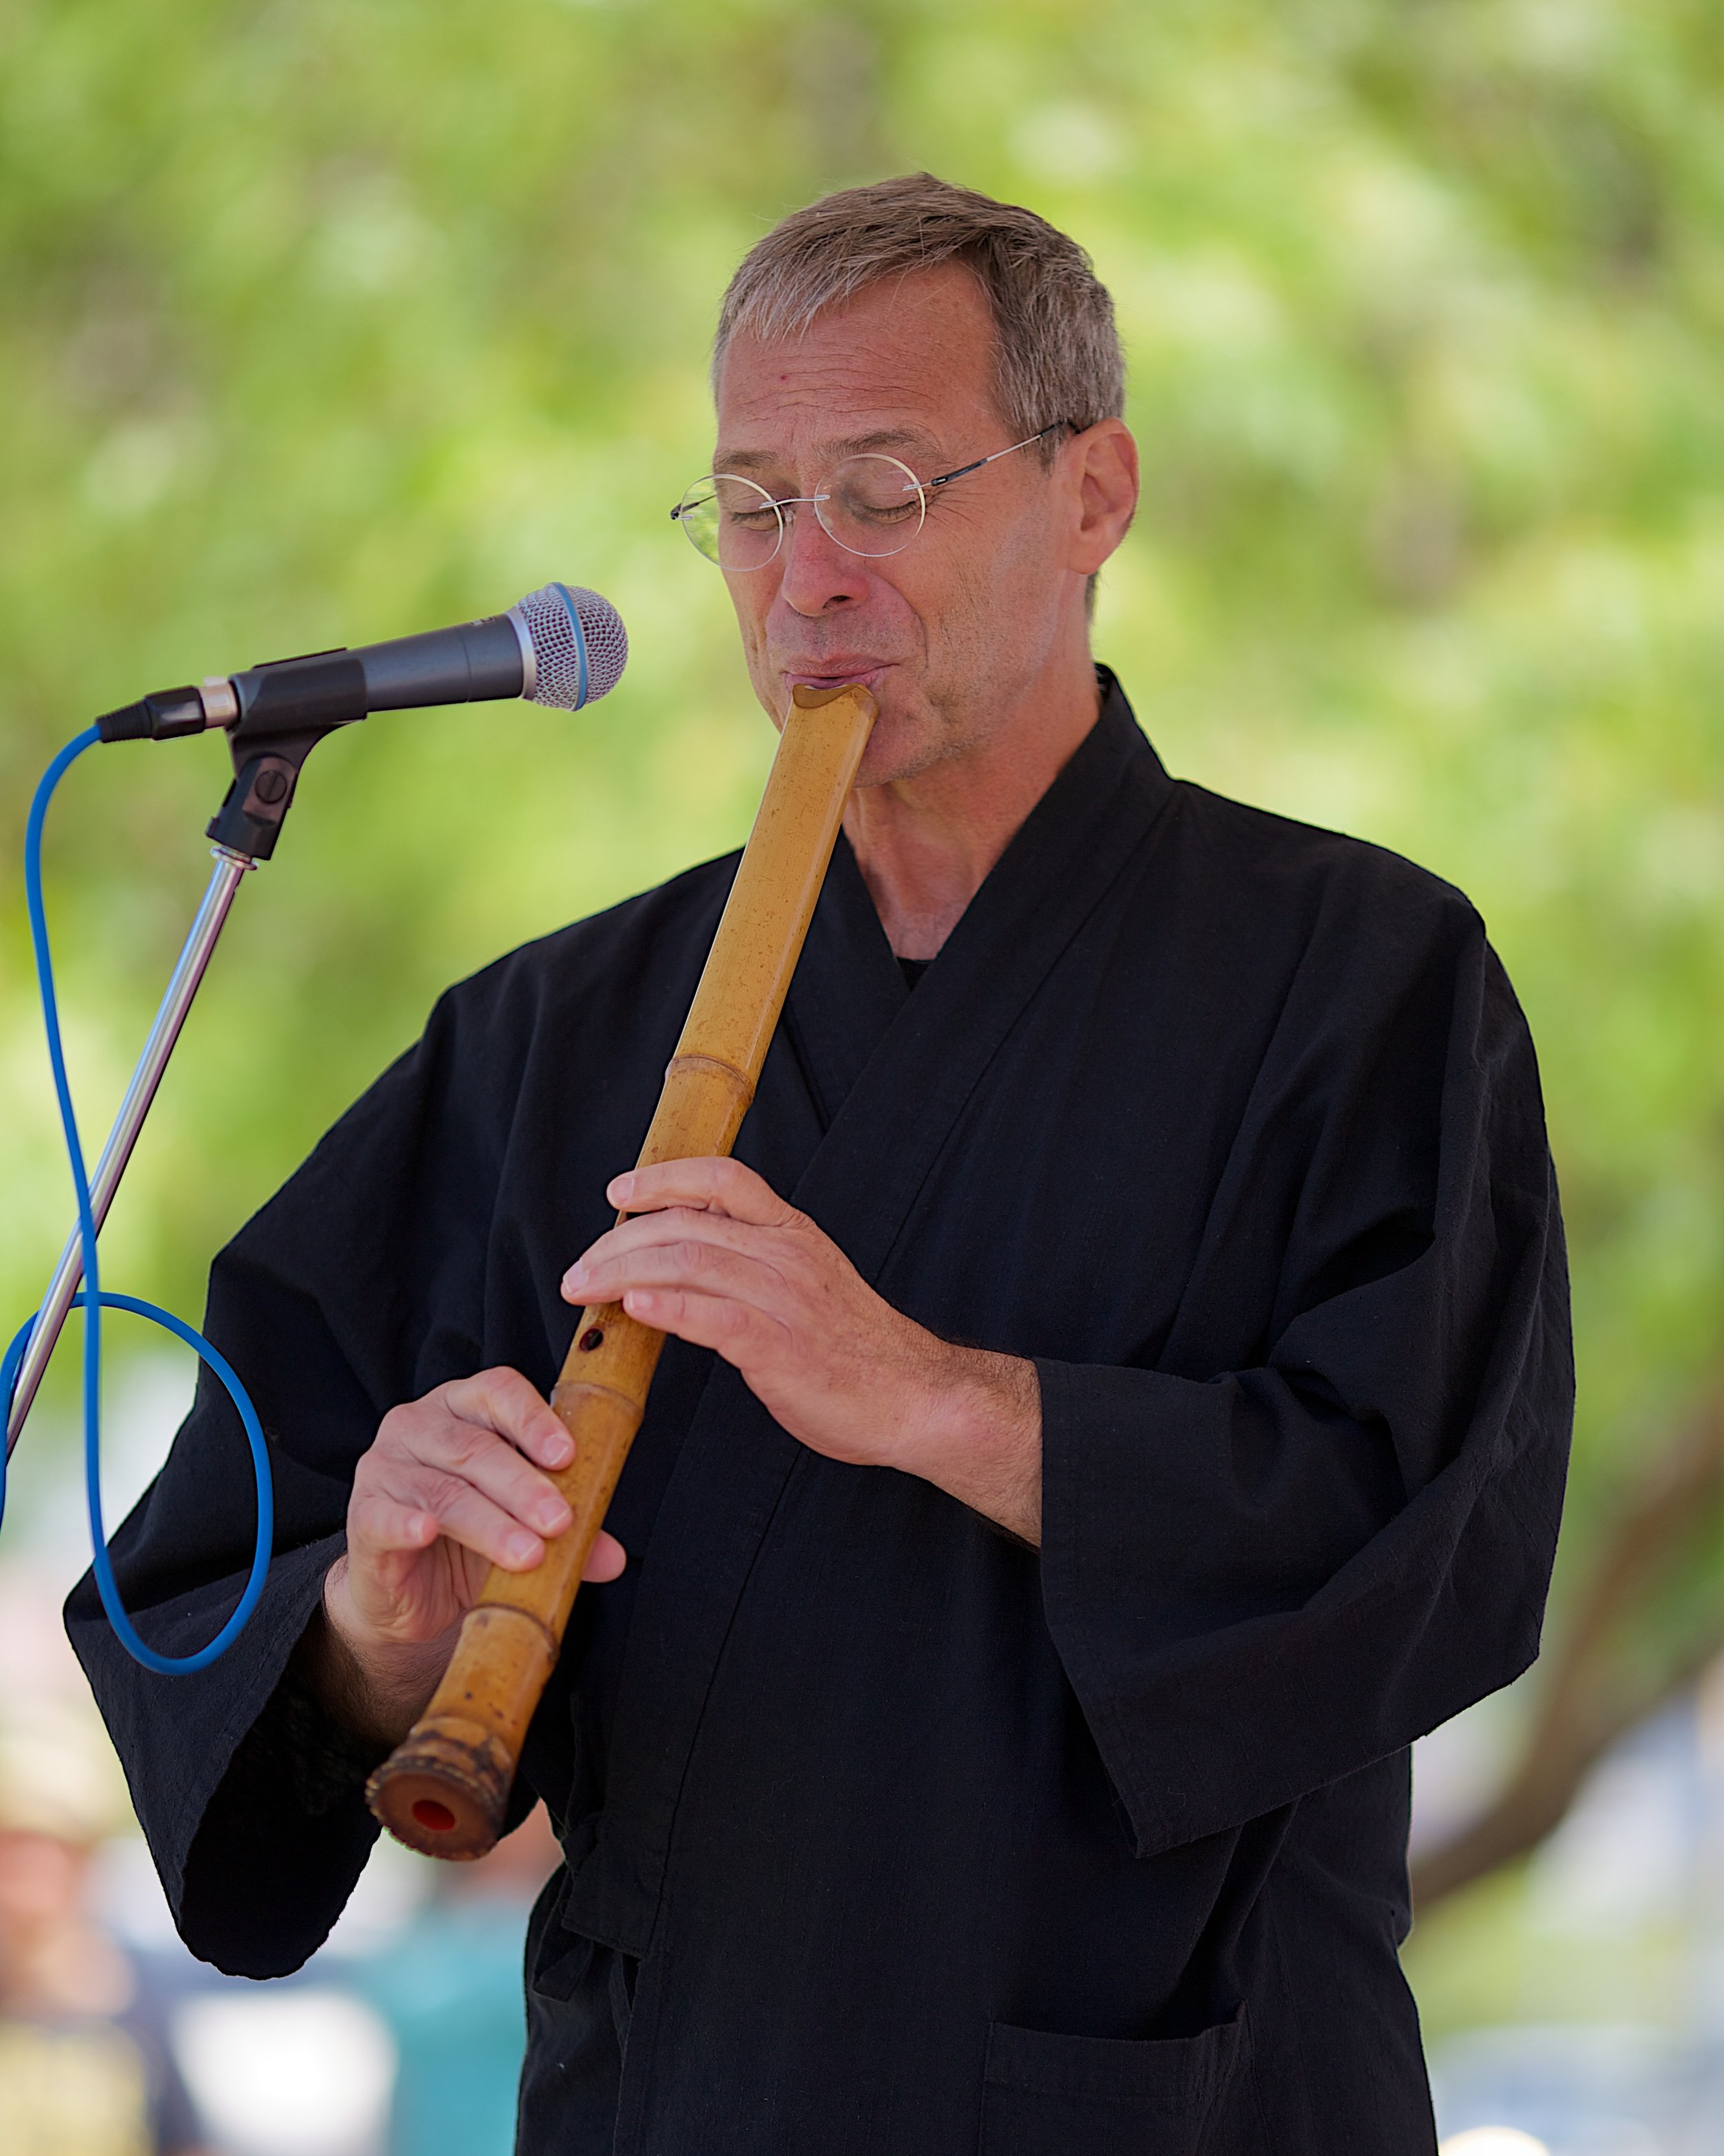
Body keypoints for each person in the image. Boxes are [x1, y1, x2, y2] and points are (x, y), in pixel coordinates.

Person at [70, 174, 1573, 2154]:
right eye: (754, 507)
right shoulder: (553, 1038)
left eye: (881, 490)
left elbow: (1430, 1532)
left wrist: (927, 1397)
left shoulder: (1356, 978)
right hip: (667, 2093)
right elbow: (210, 1580)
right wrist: (369, 1629)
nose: (805, 581)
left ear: (1091, 492)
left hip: (1154, 2103)